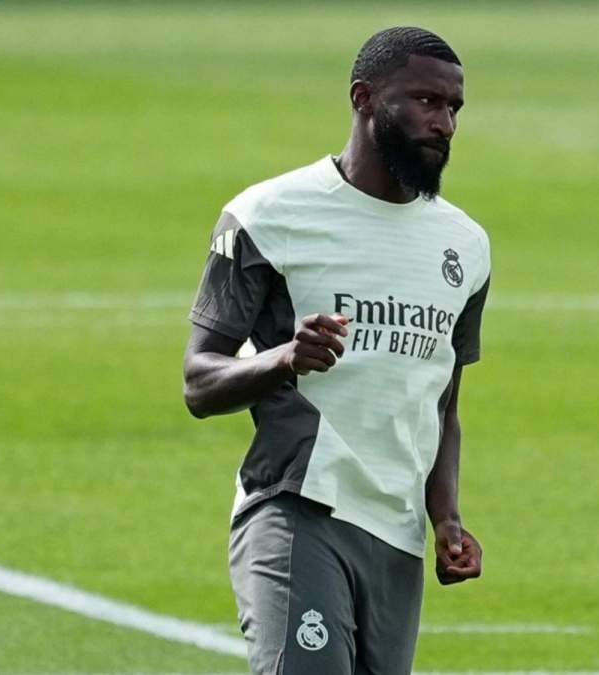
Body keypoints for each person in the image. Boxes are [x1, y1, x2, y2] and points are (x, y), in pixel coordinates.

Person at [182, 26, 489, 674]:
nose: (444, 123)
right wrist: (283, 358)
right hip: (296, 510)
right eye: (425, 102)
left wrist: (447, 519)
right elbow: (198, 381)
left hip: (397, 538)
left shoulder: (465, 246)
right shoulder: (268, 215)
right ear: (364, 97)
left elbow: (443, 407)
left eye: (453, 107)